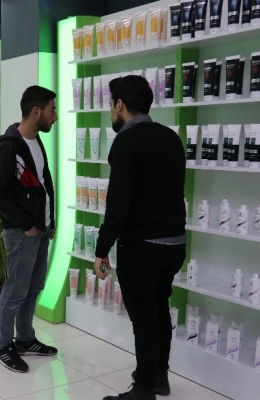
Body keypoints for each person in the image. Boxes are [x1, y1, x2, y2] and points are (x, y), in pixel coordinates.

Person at [95, 75, 186, 400]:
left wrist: (102, 248)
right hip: (175, 243)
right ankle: (159, 376)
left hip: (142, 246)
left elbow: (118, 203)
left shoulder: (126, 142)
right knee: (159, 308)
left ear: (120, 105)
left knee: (144, 317)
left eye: (111, 105)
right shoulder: (170, 137)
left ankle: (144, 389)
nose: (111, 111)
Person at [0, 85, 59, 373]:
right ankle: (4, 346)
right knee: (15, 290)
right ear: (36, 111)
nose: (55, 116)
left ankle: (25, 339)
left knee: (33, 287)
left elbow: (43, 183)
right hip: (21, 232)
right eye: (52, 110)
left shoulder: (36, 141)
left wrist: (50, 220)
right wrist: (27, 224)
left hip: (40, 229)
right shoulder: (9, 146)